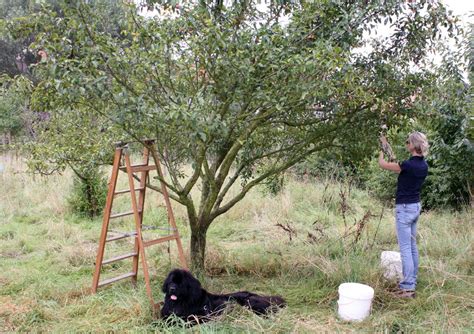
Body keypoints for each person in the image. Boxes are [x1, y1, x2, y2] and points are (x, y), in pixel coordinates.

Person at [378, 131, 429, 298]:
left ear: (413, 145)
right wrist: (386, 145)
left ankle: (407, 288)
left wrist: (380, 149)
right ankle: (412, 281)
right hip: (415, 207)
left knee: (405, 248)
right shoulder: (423, 166)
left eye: (408, 142)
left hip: (405, 208)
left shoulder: (408, 165)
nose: (406, 144)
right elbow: (398, 165)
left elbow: (383, 164)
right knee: (413, 247)